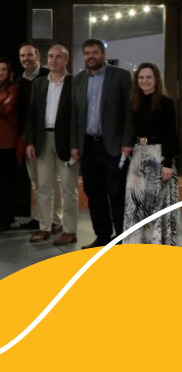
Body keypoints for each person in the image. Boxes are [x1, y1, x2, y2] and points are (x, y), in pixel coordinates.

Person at [70, 38, 134, 249]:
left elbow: (129, 112)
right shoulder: (78, 80)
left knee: (117, 193)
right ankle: (103, 237)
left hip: (114, 147)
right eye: (87, 53)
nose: (91, 56)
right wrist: (75, 145)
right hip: (88, 147)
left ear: (103, 54)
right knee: (94, 194)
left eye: (95, 52)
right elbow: (75, 115)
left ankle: (122, 238)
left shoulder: (121, 76)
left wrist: (127, 142)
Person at [25, 45, 79, 245]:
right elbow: (32, 115)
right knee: (43, 186)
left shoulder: (75, 83)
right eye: (50, 56)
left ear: (66, 60)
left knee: (68, 188)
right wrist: (30, 141)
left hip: (67, 142)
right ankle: (45, 227)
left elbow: (79, 117)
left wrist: (76, 145)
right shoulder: (39, 83)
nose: (53, 60)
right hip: (43, 140)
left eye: (58, 57)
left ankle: (70, 230)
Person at [123, 63, 181, 246]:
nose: (144, 81)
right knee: (135, 200)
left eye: (148, 77)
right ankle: (137, 243)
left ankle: (157, 243)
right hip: (138, 156)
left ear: (156, 79)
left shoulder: (166, 103)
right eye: (141, 77)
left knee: (156, 202)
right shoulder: (135, 103)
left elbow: (170, 134)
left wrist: (168, 164)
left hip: (159, 156)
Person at [18, 42, 60, 232]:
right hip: (29, 137)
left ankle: (56, 219)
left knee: (53, 180)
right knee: (35, 179)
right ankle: (41, 216)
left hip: (48, 136)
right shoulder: (20, 80)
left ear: (38, 57)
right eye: (22, 56)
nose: (26, 59)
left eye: (29, 55)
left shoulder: (48, 76)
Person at [0, 57, 20, 232]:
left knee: (6, 183)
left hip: (6, 139)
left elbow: (6, 109)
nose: (0, 72)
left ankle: (5, 219)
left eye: (4, 69)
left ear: (9, 72)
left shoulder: (13, 88)